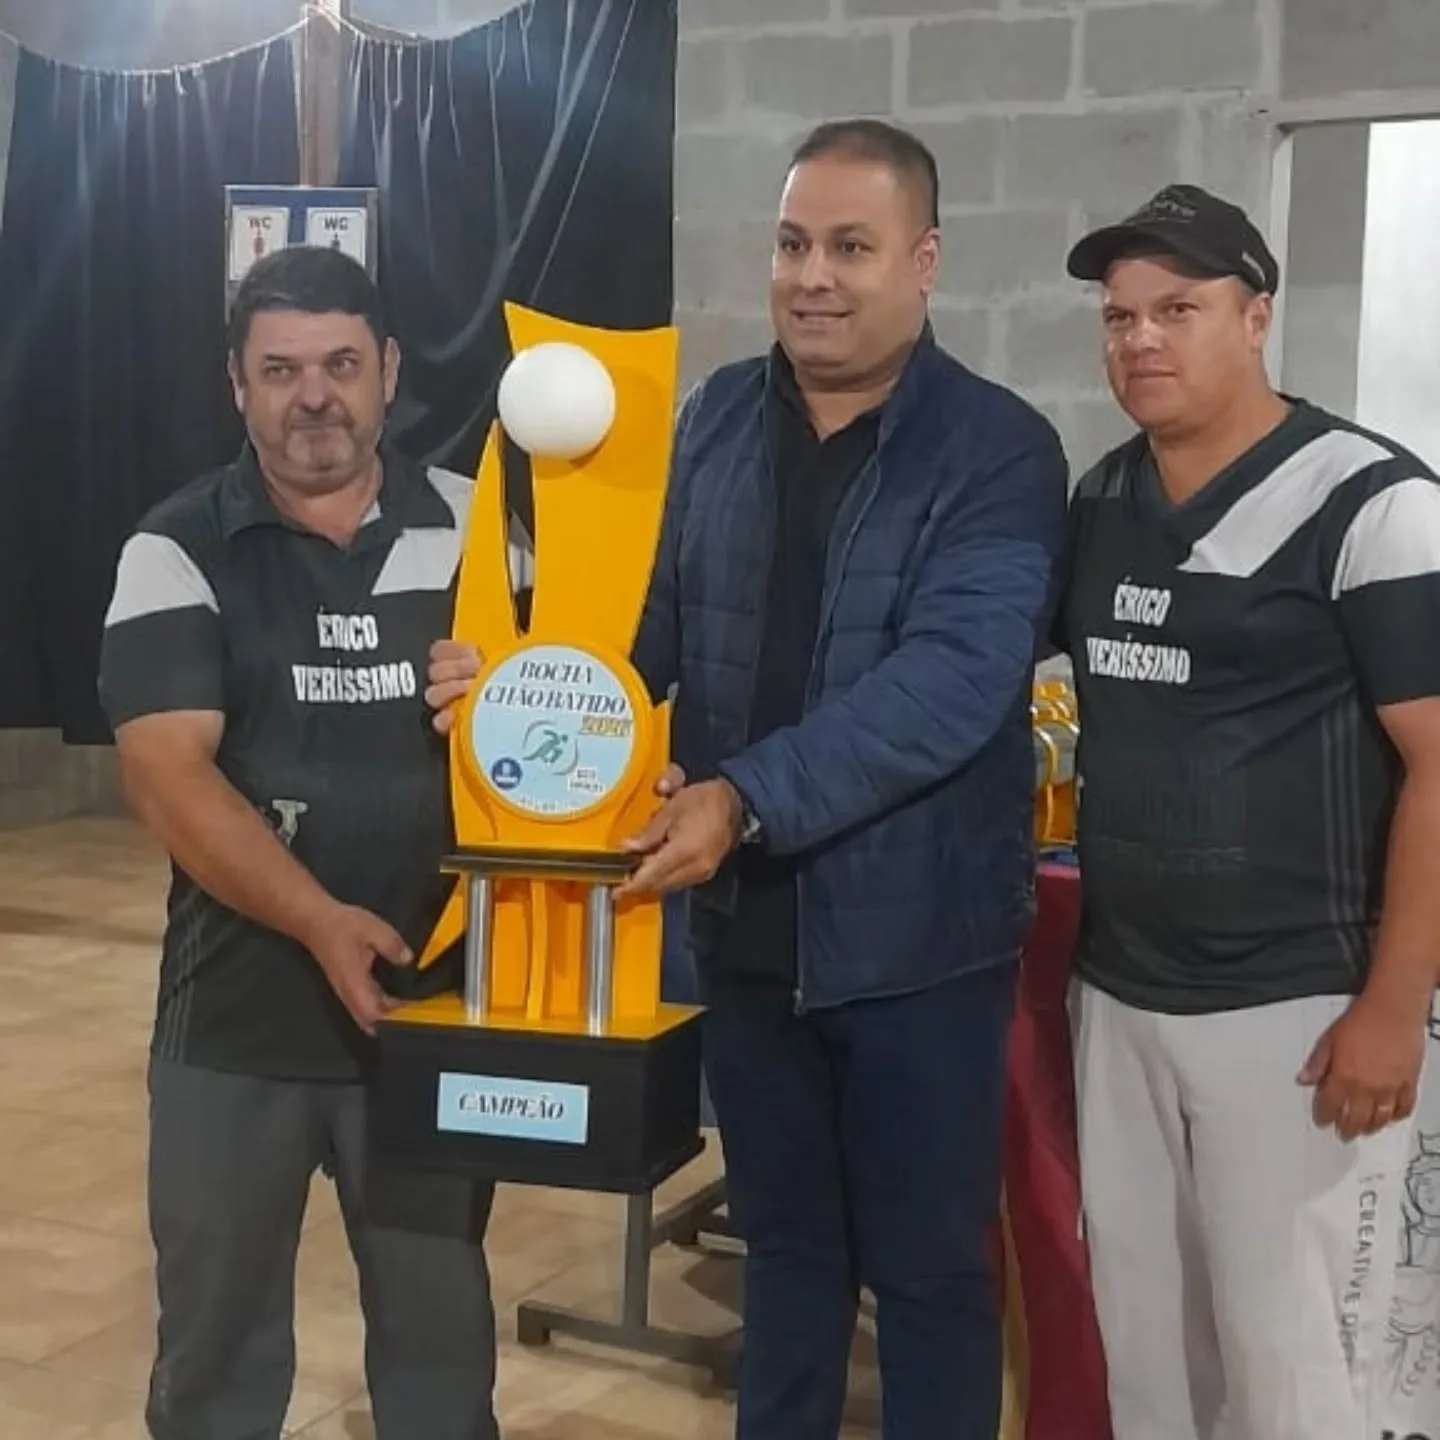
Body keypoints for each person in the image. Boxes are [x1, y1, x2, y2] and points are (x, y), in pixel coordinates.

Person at [429, 118, 1068, 1440]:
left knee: (932, 1278)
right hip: (747, 938)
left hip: (919, 950)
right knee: (786, 1264)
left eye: (850, 247)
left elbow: (953, 681)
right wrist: (518, 694)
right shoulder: (717, 417)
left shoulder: (999, 449)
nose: (812, 276)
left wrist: (744, 796)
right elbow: (647, 637)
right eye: (791, 244)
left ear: (925, 261)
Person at [1056, 183, 1440, 1440]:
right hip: (1122, 997)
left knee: (1298, 1384)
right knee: (1152, 1372)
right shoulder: (1101, 499)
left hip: (1298, 1013)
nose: (1141, 339)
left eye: (1178, 309)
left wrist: (1394, 1006)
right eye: (1119, 317)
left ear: (1256, 315)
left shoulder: (1374, 500)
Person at [98, 246, 499, 1440]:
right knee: (214, 1371)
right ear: (238, 384)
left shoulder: (484, 534)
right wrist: (319, 921)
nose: (312, 396)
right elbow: (168, 776)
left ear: (389, 370)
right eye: (279, 371)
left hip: (428, 1019)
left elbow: (571, 726)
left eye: (339, 364)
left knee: (440, 1366)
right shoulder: (176, 549)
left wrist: (511, 695)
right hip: (236, 1026)